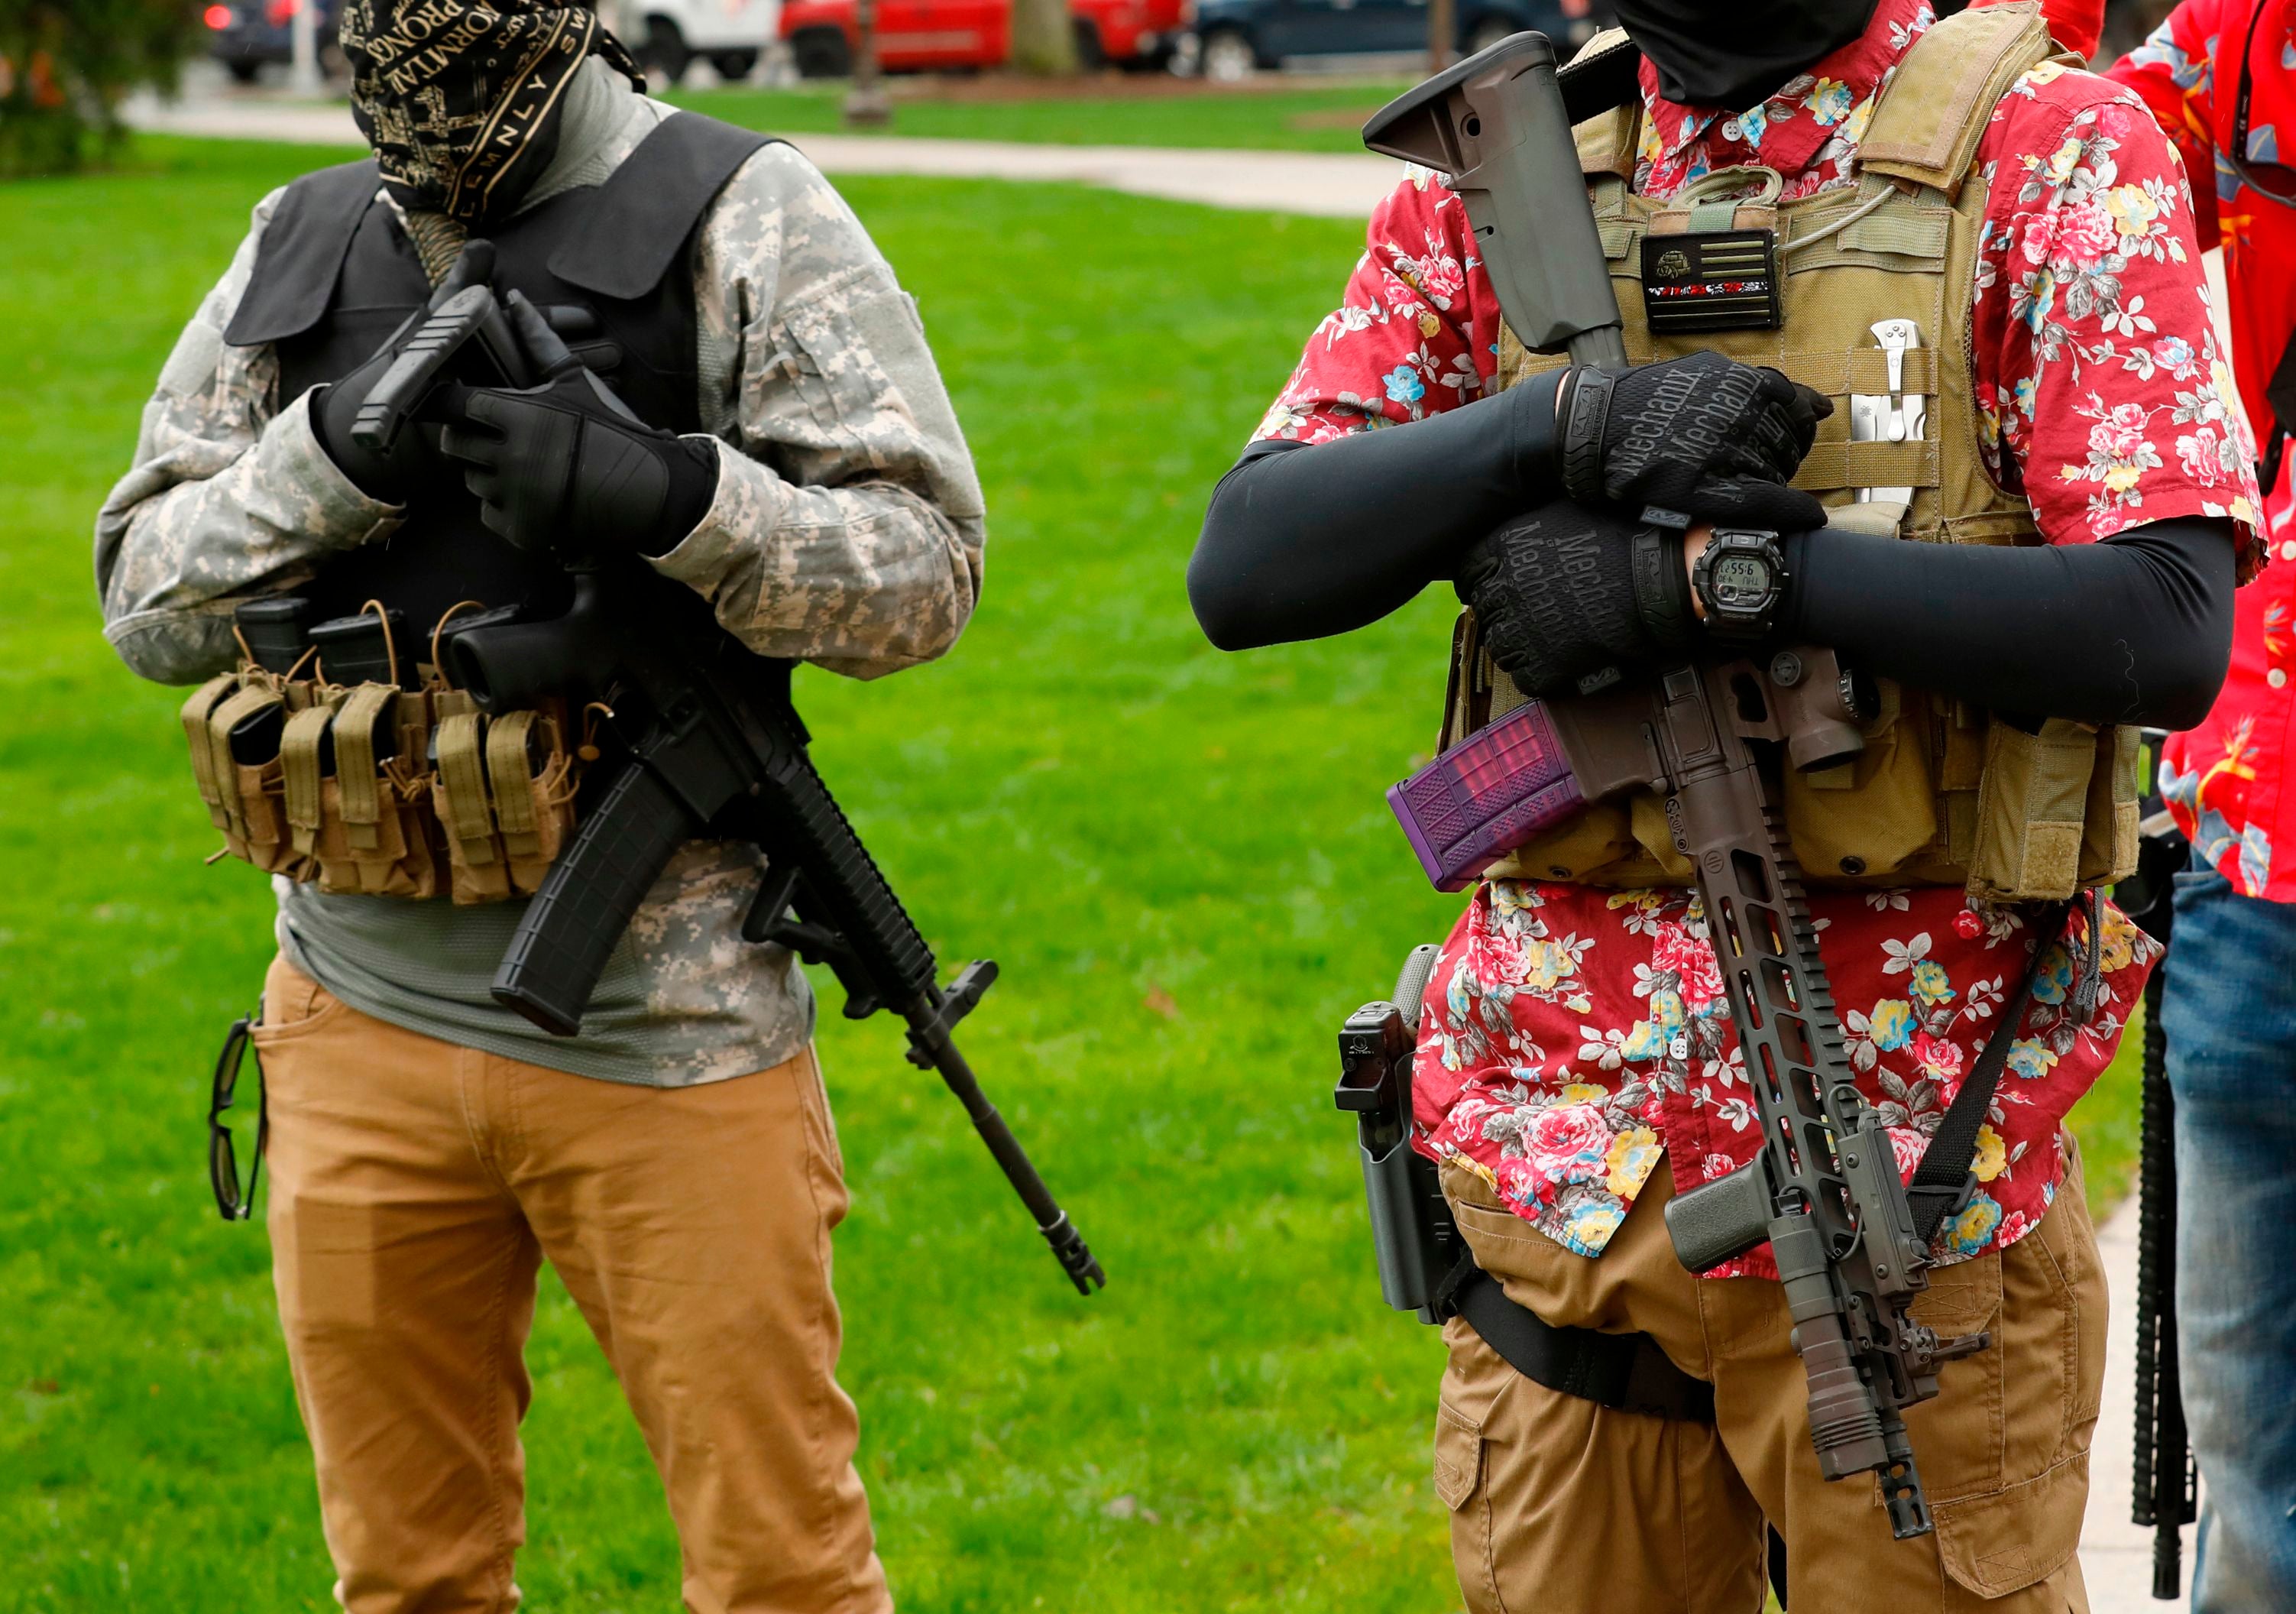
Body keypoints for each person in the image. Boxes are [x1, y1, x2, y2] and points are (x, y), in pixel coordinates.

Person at [1191, 0, 2260, 1607]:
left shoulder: (2049, 149)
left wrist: (1737, 585)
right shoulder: (1505, 177)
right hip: (1564, 1189)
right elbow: (1251, 558)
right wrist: (1545, 431)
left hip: (1914, 1200)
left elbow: (2166, 620)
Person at [94, 3, 985, 1609]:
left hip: (667, 1038)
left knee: (781, 1574)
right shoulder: (297, 245)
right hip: (350, 1021)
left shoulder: (740, 212)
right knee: (410, 1581)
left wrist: (678, 497)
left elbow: (926, 579)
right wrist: (322, 466)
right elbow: (142, 601)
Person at [2107, 8, 2296, 1609]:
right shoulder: (2233, 47)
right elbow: (2029, 162)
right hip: (2253, 859)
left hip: (2251, 847)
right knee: (2257, 1500)